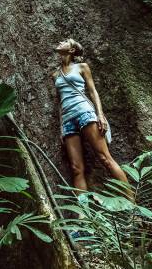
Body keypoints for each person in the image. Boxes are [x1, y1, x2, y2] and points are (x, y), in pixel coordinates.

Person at [54, 38, 129, 191]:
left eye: (65, 41)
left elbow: (93, 92)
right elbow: (59, 102)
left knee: (105, 158)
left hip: (85, 113)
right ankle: (83, 214)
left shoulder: (82, 67)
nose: (60, 42)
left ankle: (132, 205)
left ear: (72, 50)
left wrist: (100, 115)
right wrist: (61, 127)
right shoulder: (55, 74)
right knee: (76, 169)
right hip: (68, 120)